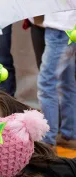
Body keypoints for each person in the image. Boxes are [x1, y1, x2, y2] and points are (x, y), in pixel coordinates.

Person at [37, 11, 76, 149]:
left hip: (61, 26)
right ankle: (69, 135)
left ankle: (47, 142)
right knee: (66, 82)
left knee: (46, 83)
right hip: (69, 25)